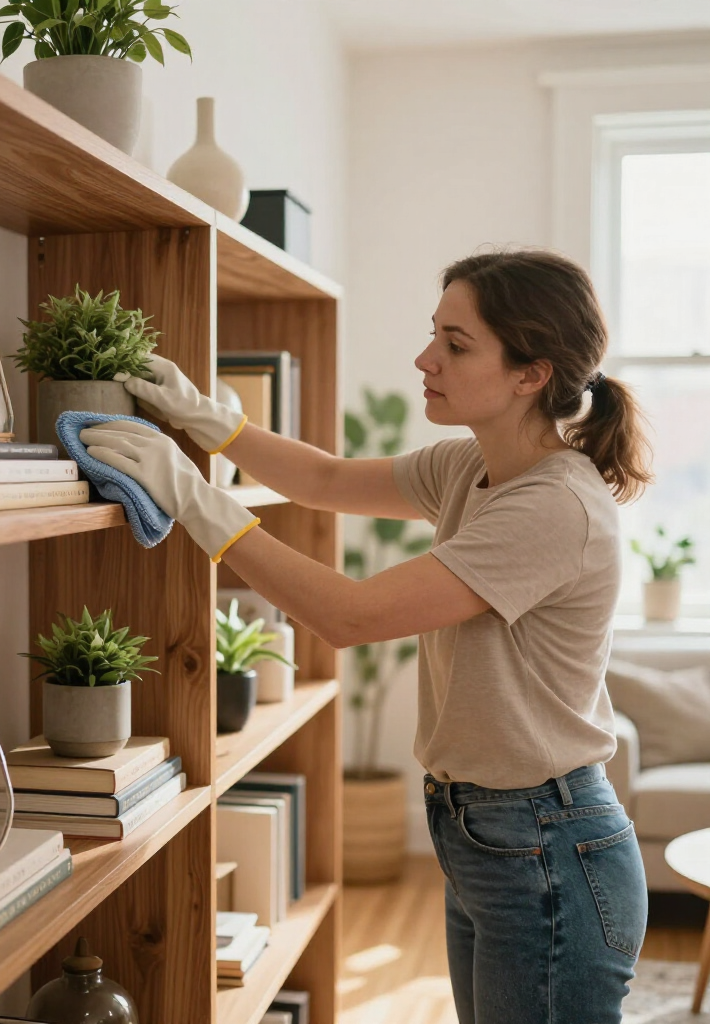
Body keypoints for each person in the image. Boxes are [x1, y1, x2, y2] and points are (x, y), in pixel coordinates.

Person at [79, 248, 654, 1024]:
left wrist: (195, 501)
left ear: (531, 374)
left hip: (544, 841)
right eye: (434, 334)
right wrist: (206, 418)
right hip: (487, 831)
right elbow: (323, 480)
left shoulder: (555, 507)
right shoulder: (469, 468)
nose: (426, 358)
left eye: (457, 344)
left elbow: (352, 617)